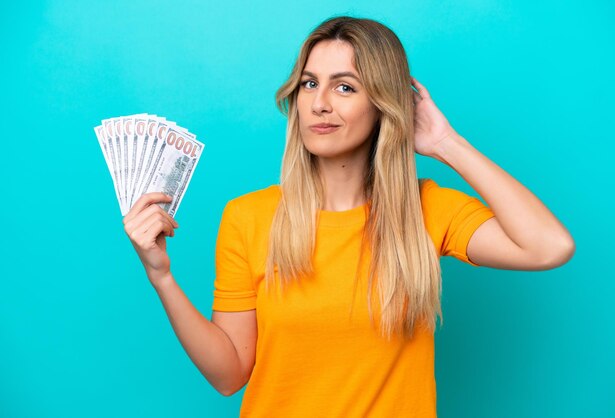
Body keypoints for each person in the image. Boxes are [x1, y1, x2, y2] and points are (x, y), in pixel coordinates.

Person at [122, 16, 575, 417]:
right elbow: (229, 375)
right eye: (309, 83)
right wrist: (161, 276)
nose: (320, 103)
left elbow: (548, 246)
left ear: (383, 105)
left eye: (345, 87)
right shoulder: (248, 217)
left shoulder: (427, 210)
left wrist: (444, 143)